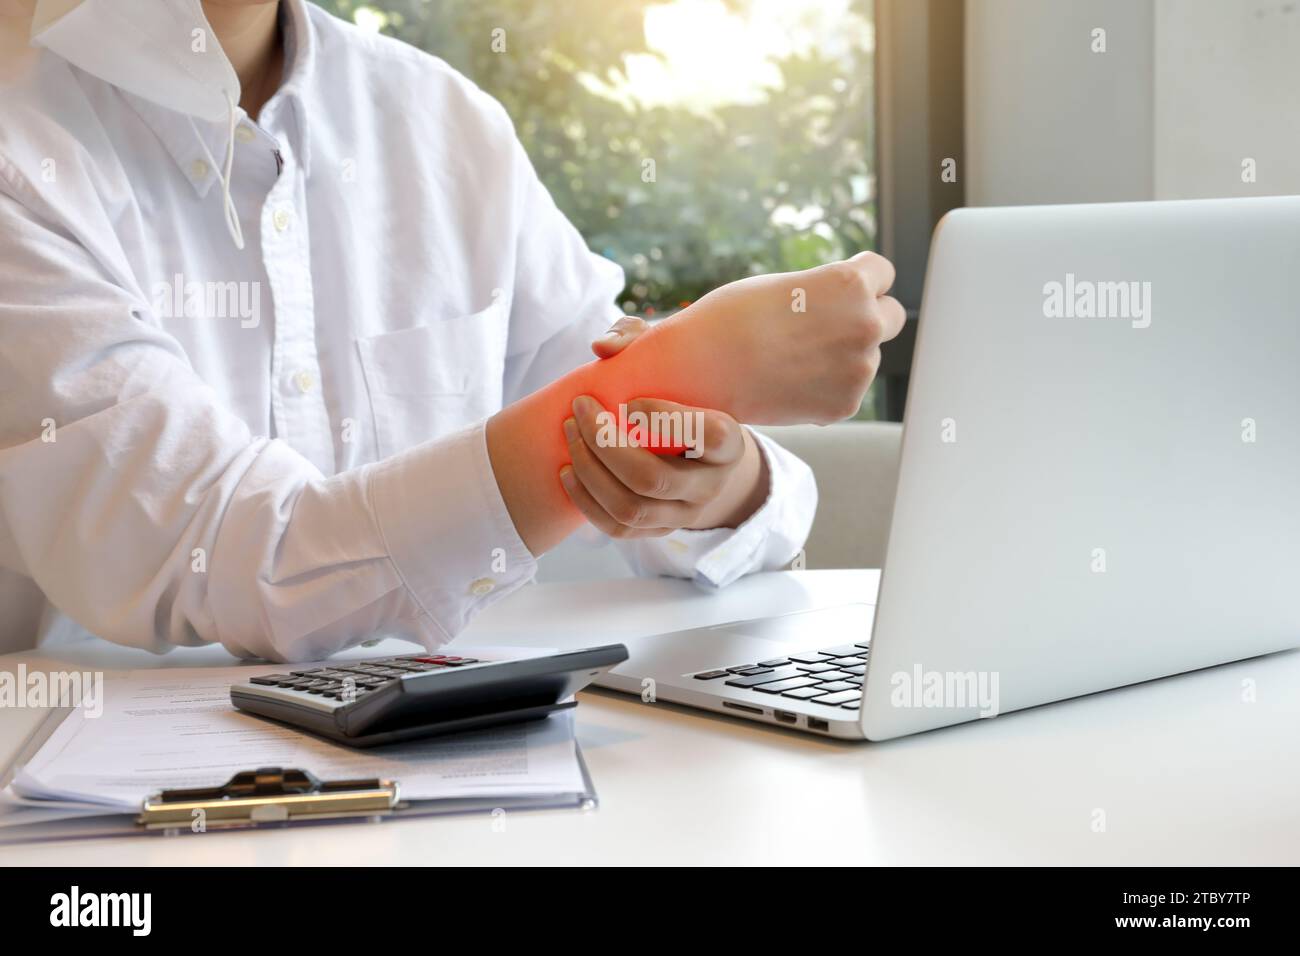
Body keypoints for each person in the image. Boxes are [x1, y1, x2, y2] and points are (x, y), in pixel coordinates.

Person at [0, 0, 904, 661]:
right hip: (114, 825)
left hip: (474, 779)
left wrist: (714, 473)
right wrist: (694, 361)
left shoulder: (444, 122)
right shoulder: (21, 136)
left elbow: (634, 431)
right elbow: (241, 557)